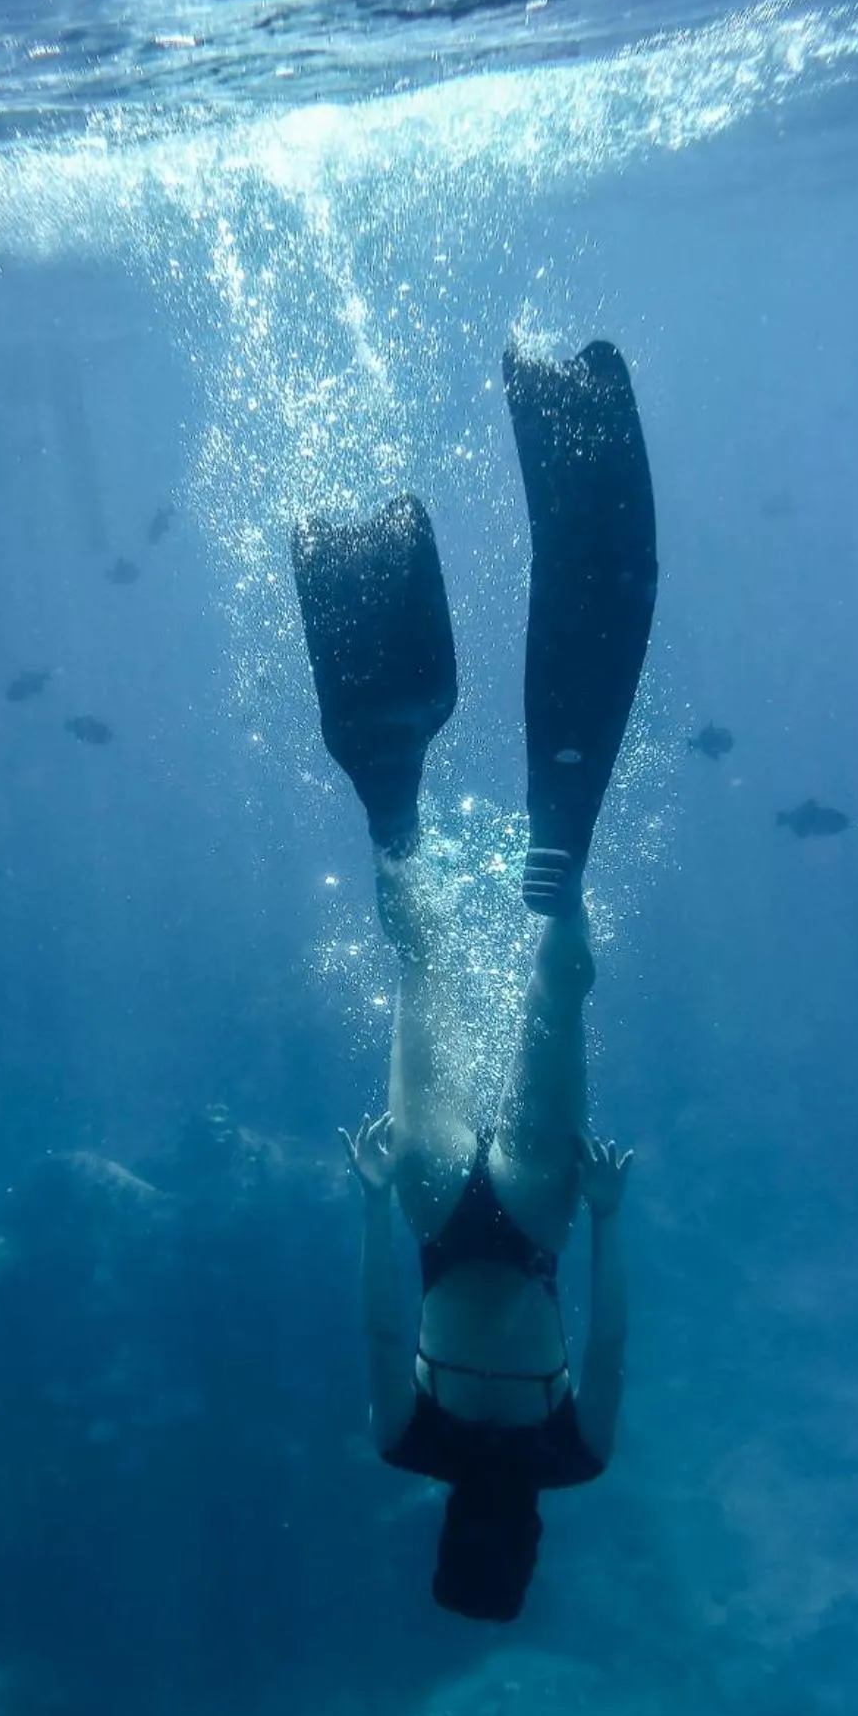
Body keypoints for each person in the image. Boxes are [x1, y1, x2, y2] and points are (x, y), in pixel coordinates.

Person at [291, 337, 659, 1622]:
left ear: (529, 1547)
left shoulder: (578, 1457)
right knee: (423, 958)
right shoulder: (408, 1445)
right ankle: (393, 802)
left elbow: (605, 1343)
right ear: (450, 1537)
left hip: (541, 1215)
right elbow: (384, 1336)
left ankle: (556, 856)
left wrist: (607, 1215)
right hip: (441, 1210)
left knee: (560, 973)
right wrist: (371, 1194)